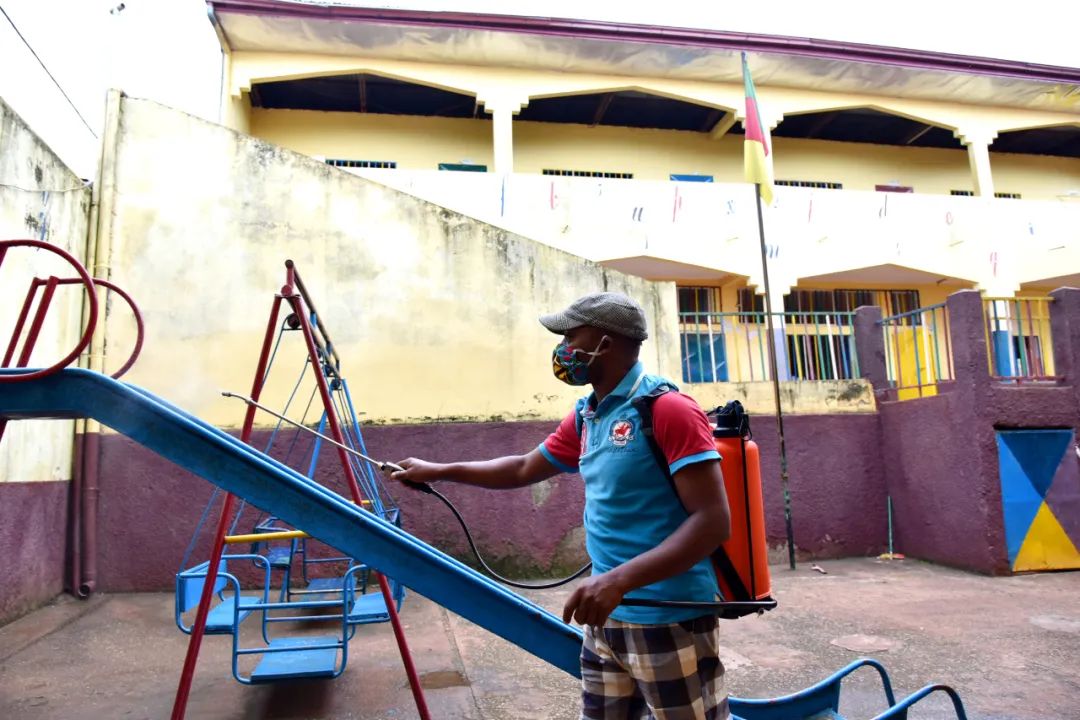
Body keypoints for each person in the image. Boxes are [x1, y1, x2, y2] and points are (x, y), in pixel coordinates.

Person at [392, 291, 732, 720]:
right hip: (605, 619)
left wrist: (618, 581)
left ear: (604, 344)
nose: (563, 348)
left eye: (571, 336)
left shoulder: (667, 410)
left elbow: (713, 522)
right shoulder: (588, 415)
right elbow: (520, 468)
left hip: (667, 618)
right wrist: (438, 470)